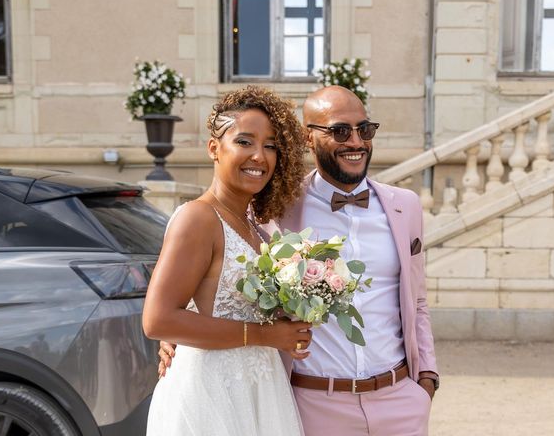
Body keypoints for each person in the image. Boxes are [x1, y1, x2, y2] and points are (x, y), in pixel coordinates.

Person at [159, 85, 439, 436]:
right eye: (340, 131)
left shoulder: (405, 206)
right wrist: (176, 333)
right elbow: (215, 269)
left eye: (364, 129)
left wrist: (426, 377)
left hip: (400, 402)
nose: (355, 141)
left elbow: (417, 299)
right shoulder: (272, 211)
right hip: (313, 404)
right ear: (308, 138)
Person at [143, 86, 311, 436]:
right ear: (214, 148)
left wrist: (287, 326)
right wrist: (266, 336)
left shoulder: (256, 227)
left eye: (270, 146)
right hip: (210, 396)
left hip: (258, 390)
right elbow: (157, 320)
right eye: (245, 142)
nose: (259, 157)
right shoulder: (198, 218)